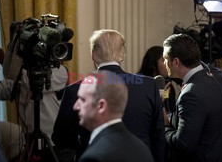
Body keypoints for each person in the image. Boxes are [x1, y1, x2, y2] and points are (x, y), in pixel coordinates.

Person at [52, 29, 165, 162]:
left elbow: (61, 140)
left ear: (93, 55)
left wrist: (84, 145)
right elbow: (158, 137)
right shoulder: (149, 85)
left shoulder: (74, 90)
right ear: (122, 55)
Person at [0, 47, 68, 158]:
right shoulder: (20, 74)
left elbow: (34, 81)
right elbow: (0, 92)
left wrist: (5, 62)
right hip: (29, 141)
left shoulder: (60, 70)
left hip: (53, 143)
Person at [163, 33, 222, 162]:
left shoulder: (190, 94)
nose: (164, 62)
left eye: (165, 58)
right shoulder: (218, 75)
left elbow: (183, 145)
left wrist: (165, 126)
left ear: (176, 61)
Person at [73, 70, 154, 162]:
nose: (75, 106)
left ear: (101, 106)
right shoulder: (142, 149)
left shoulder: (94, 157)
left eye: (82, 100)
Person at [138, 46, 182, 113]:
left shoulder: (169, 86)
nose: (169, 64)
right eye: (164, 60)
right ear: (153, 64)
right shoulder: (140, 84)